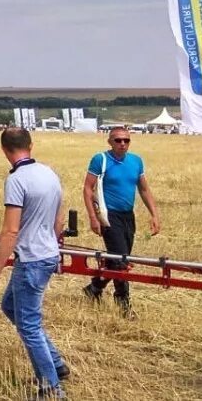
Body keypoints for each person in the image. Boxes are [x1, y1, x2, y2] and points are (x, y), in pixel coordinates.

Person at [0, 128, 68, 399]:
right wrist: (50, 244)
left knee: (28, 325)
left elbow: (10, 231)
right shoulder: (48, 173)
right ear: (30, 145)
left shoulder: (17, 180)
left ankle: (51, 387)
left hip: (31, 259)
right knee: (10, 306)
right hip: (47, 254)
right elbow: (60, 220)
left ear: (3, 149)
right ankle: (55, 363)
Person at [82, 127, 161, 318]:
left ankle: (94, 287)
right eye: (118, 140)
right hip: (109, 215)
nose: (122, 144)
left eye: (126, 140)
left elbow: (143, 189)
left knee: (118, 257)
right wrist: (93, 217)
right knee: (121, 260)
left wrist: (154, 214)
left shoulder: (136, 161)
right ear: (110, 142)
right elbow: (87, 188)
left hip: (128, 216)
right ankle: (123, 302)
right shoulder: (100, 159)